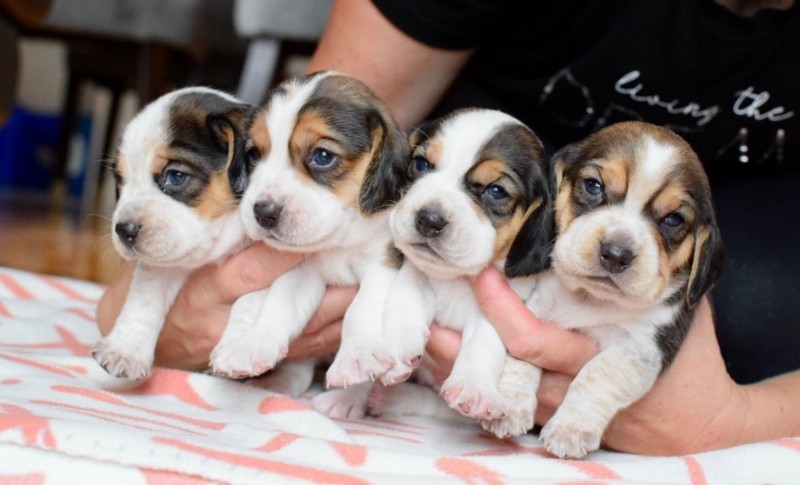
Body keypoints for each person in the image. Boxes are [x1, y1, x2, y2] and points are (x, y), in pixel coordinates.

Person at [97, 0, 800, 455]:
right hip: (456, 227)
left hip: (741, 238)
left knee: (756, 304)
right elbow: (312, 133)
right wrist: (161, 283)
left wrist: (732, 422)